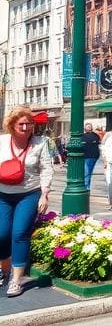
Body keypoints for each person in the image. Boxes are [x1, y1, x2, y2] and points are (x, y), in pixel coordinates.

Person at [0, 106, 54, 297]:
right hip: (3, 194)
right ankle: (5, 270)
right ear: (12, 125)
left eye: (29, 124)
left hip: (28, 193)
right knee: (2, 234)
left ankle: (16, 280)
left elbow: (46, 168)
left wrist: (44, 194)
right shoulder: (2, 141)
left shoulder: (40, 143)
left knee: (20, 233)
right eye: (21, 124)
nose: (25, 128)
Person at [80, 122, 101, 190]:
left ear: (92, 127)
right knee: (87, 172)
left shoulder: (95, 135)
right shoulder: (82, 136)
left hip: (94, 156)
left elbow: (98, 142)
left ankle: (87, 186)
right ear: (84, 128)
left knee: (90, 172)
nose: (88, 127)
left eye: (90, 126)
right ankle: (86, 186)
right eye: (87, 126)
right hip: (85, 156)